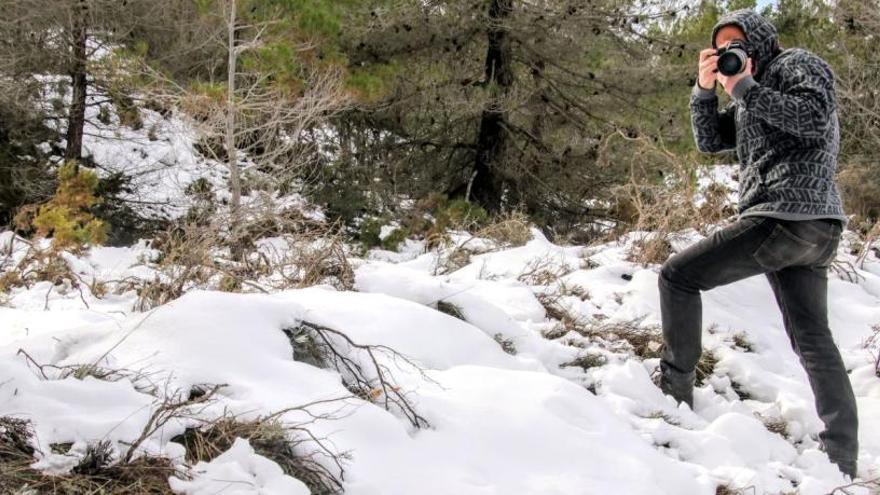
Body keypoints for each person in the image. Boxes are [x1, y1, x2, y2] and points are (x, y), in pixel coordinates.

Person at [654, 8, 858, 479]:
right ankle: (841, 461)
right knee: (813, 339)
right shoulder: (752, 92)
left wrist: (745, 88)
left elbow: (811, 118)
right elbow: (710, 142)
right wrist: (706, 90)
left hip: (786, 216)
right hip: (813, 231)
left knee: (678, 277)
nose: (731, 54)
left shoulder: (797, 65)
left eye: (738, 44)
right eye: (722, 48)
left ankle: (673, 395)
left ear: (761, 40)